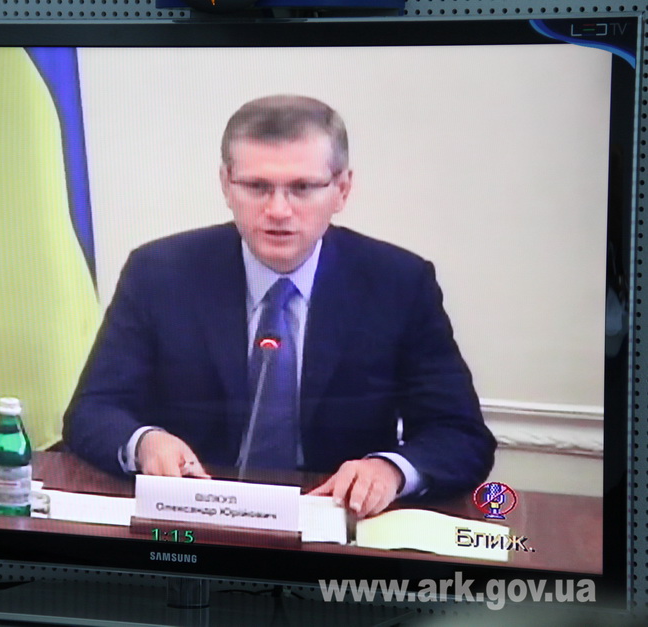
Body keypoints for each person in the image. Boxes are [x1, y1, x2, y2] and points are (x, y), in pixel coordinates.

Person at [63, 95, 496, 518]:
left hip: (334, 521)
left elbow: (460, 435)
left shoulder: (398, 283)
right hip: (196, 514)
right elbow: (92, 412)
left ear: (342, 189)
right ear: (226, 185)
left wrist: (390, 471)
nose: (278, 210)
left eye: (302, 188)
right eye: (257, 187)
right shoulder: (159, 273)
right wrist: (144, 442)